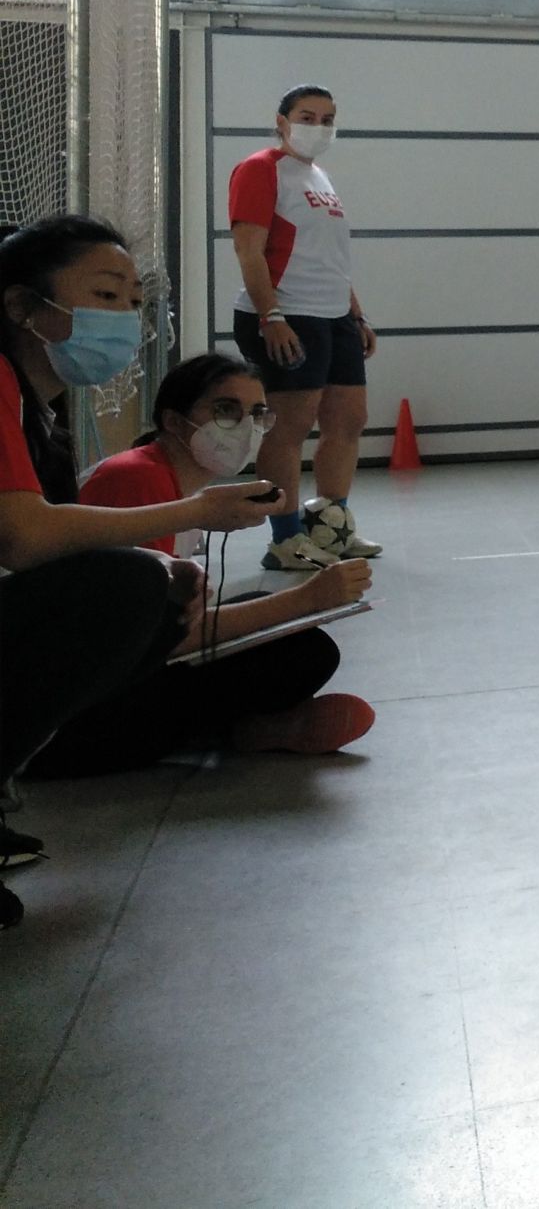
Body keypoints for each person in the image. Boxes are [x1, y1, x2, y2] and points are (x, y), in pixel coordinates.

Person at [0, 216, 282, 929]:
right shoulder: (127, 470)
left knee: (164, 595)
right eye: (104, 295)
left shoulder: (43, 412)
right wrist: (195, 517)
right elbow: (25, 539)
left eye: (133, 302)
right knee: (132, 587)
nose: (124, 318)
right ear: (24, 305)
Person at [41, 352, 376, 778]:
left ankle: (248, 729)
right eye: (225, 410)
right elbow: (152, 640)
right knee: (302, 654)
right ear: (175, 421)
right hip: (68, 714)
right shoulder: (137, 478)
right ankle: (239, 730)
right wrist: (306, 599)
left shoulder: (177, 485)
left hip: (109, 671)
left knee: (283, 632)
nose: (246, 427)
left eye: (257, 413)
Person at [230, 83, 384, 577]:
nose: (318, 126)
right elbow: (249, 251)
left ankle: (331, 526)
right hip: (288, 315)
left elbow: (330, 258)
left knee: (349, 419)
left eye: (327, 119)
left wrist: (356, 314)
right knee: (291, 426)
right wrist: (271, 316)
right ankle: (285, 538)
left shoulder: (320, 177)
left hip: (333, 316)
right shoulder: (260, 169)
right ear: (281, 122)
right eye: (307, 116)